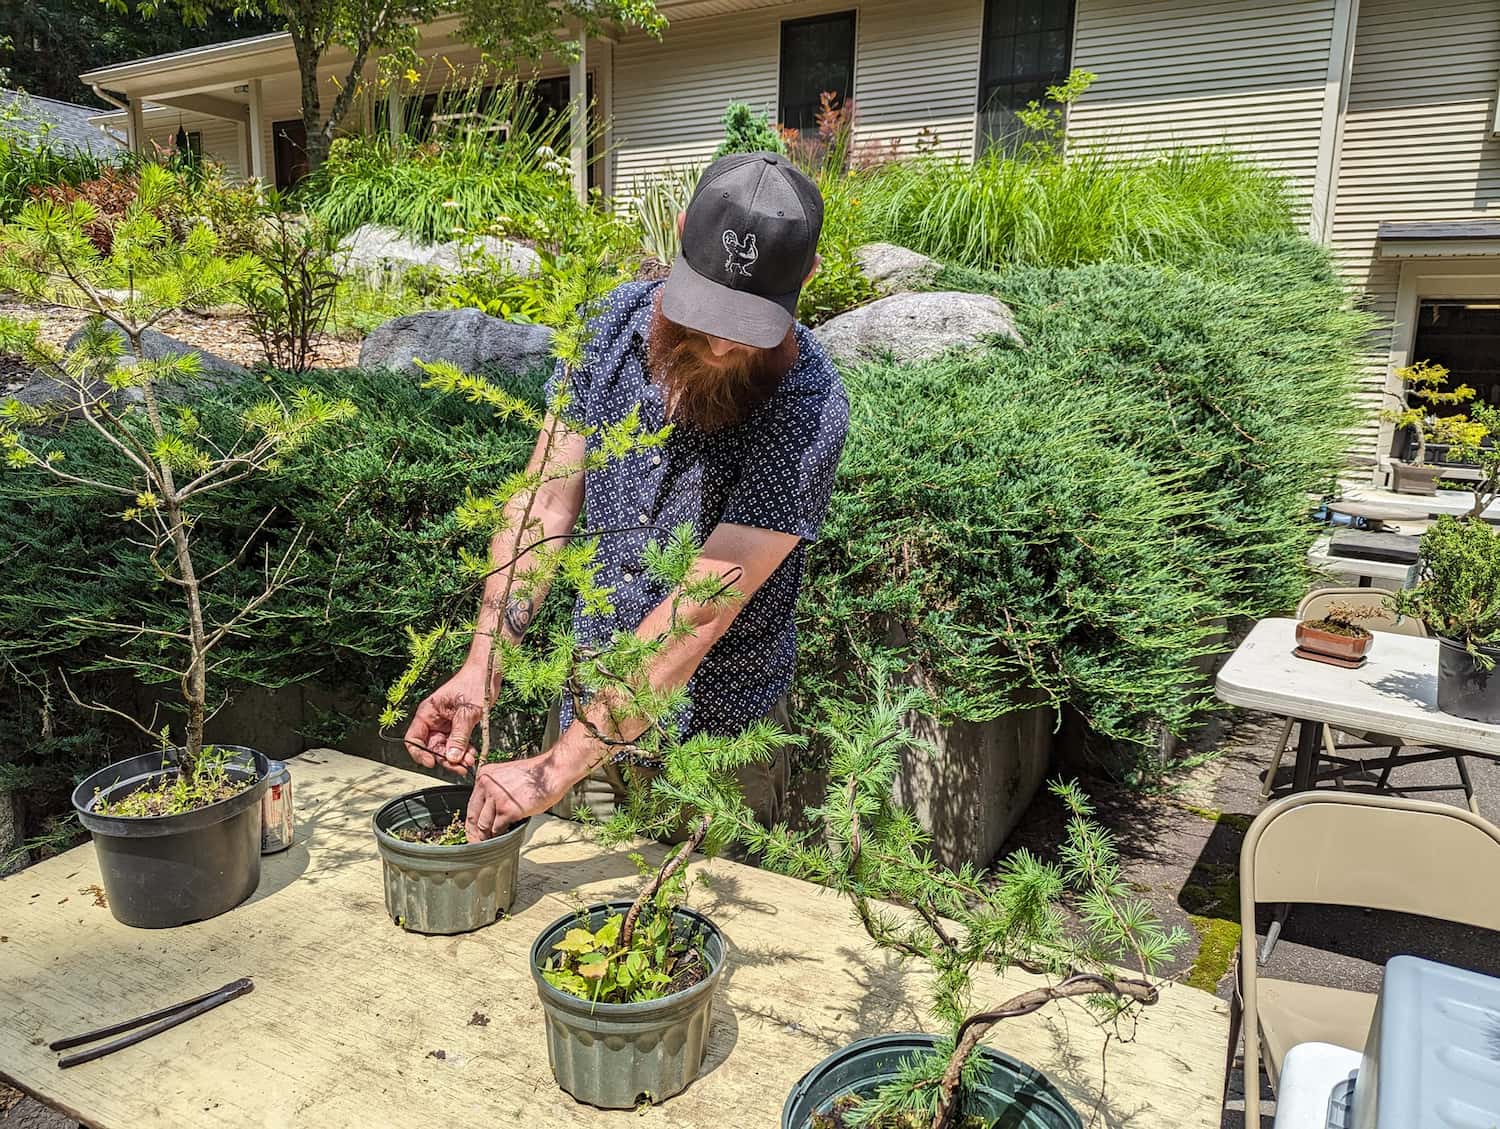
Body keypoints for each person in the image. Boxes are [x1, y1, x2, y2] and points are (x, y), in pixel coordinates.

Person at [402, 151, 849, 842]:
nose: (725, 345)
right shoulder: (607, 328)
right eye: (706, 308)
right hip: (588, 704)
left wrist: (551, 771)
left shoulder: (809, 405)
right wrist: (482, 662)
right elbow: (543, 507)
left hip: (716, 740)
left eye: (749, 321)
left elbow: (698, 613)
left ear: (807, 279)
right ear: (677, 236)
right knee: (584, 913)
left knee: (686, 922)